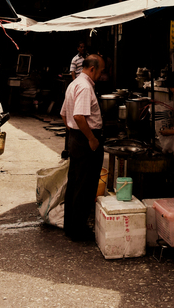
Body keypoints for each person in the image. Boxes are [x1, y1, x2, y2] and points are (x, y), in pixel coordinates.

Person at [60, 54, 106, 242]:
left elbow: (64, 114)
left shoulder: (74, 84)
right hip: (86, 139)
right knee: (85, 185)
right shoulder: (85, 87)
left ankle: (71, 226)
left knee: (75, 183)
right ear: (93, 69)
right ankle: (79, 230)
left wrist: (74, 134)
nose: (102, 75)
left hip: (76, 137)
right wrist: (91, 138)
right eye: (101, 71)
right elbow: (78, 116)